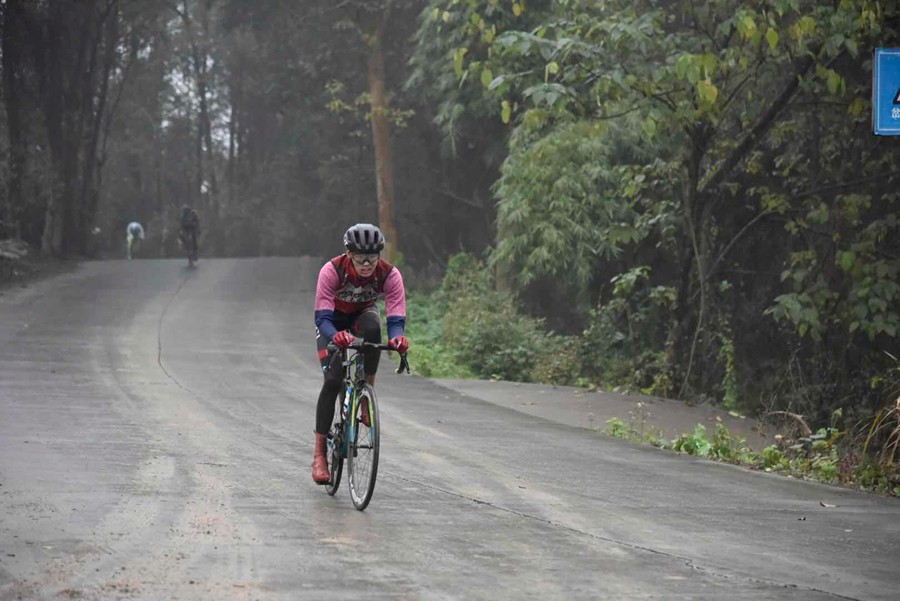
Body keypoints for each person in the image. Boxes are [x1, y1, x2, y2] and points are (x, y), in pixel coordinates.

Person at [311, 223, 410, 484]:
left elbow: (396, 314)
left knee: (374, 329)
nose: (367, 265)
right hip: (332, 320)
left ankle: (365, 396)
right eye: (360, 259)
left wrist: (398, 337)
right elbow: (321, 317)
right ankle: (319, 454)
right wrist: (335, 336)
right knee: (332, 380)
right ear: (348, 254)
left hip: (361, 316)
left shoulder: (389, 275)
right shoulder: (331, 271)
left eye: (372, 258)